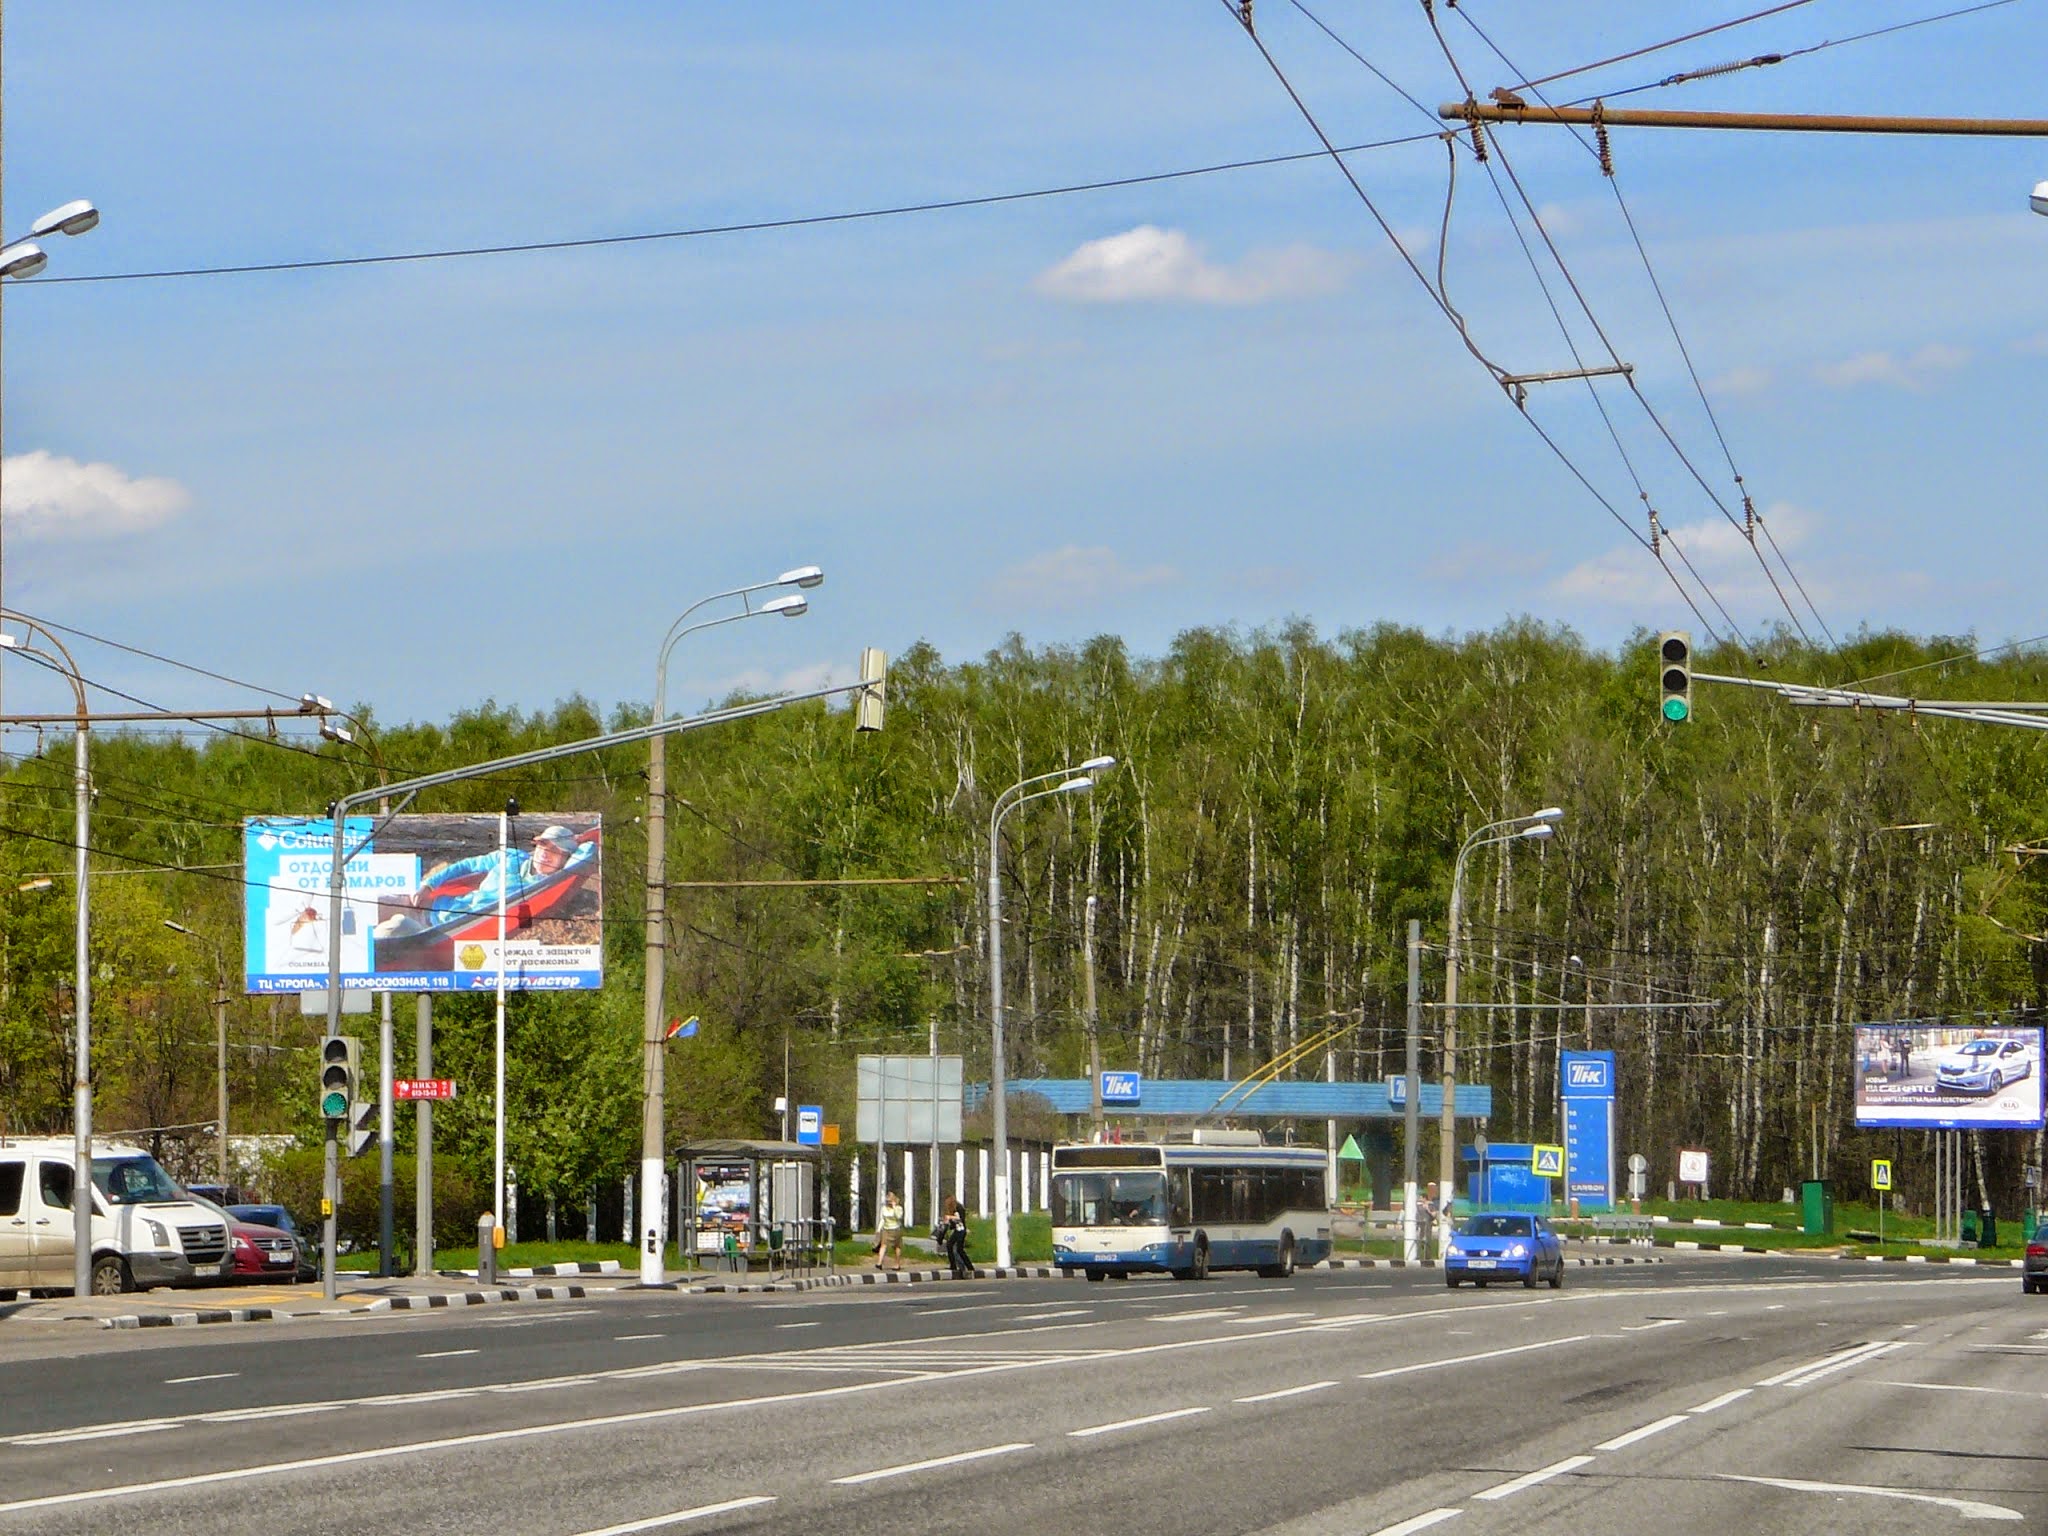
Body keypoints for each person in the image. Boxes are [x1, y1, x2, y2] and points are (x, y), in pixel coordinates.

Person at [375, 824, 584, 938]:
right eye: (542, 845)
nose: (544, 854)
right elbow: (467, 866)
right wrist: (428, 885)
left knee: (388, 933)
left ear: (565, 858)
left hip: (438, 934)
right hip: (430, 905)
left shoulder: (542, 889)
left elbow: (587, 852)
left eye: (554, 851)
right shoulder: (511, 857)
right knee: (365, 904)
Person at [936, 1195, 971, 1279]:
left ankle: (966, 1267)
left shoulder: (958, 1208)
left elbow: (960, 1219)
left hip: (961, 1230)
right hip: (957, 1230)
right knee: (950, 1246)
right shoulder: (952, 1210)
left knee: (959, 1249)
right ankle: (954, 1265)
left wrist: (950, 1217)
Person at [875, 1190, 904, 1271]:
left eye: (890, 1201)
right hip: (886, 1229)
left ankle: (897, 1264)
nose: (889, 1203)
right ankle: (879, 1263)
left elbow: (898, 1217)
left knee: (897, 1247)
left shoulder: (899, 1208)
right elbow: (882, 1219)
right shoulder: (884, 1208)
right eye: (887, 1201)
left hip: (895, 1229)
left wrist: (894, 1207)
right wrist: (878, 1229)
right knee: (883, 1245)